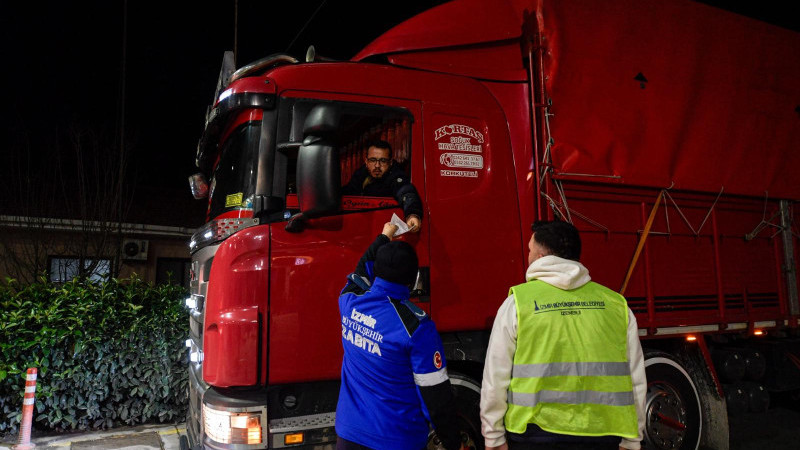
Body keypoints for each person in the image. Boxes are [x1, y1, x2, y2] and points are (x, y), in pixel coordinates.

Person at [480, 220, 647, 450]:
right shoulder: (617, 306)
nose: (526, 256)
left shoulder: (517, 304)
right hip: (604, 434)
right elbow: (636, 378)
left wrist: (493, 437)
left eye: (529, 250)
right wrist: (632, 439)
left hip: (534, 436)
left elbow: (495, 378)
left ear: (540, 258)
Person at [336, 222, 462, 450]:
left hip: (348, 435)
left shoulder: (349, 302)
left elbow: (361, 268)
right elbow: (435, 396)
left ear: (375, 271)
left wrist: (384, 236)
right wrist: (453, 441)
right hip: (398, 439)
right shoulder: (417, 326)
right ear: (413, 280)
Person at [342, 140, 423, 232]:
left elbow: (406, 192)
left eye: (383, 161)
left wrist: (412, 214)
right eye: (373, 160)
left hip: (384, 232)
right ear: (366, 161)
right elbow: (348, 192)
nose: (377, 165)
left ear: (390, 162)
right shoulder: (360, 175)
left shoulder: (396, 176)